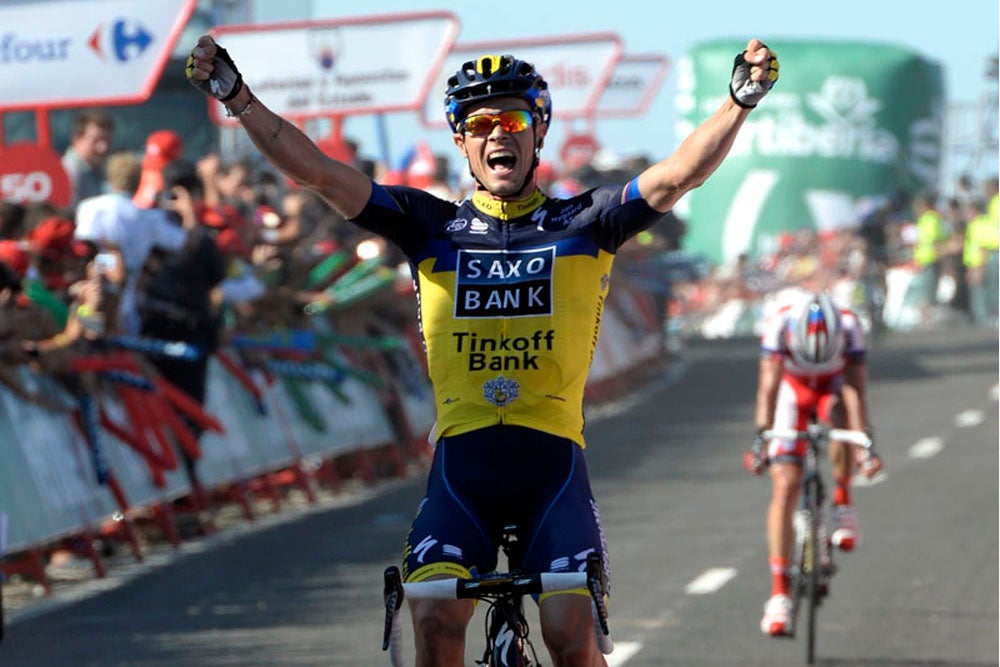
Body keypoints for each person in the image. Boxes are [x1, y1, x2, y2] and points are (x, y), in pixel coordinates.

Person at [187, 34, 778, 666]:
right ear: (463, 141)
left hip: (551, 470)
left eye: (514, 118)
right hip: (462, 470)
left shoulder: (586, 223)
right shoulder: (428, 226)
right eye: (481, 122)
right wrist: (237, 97)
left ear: (538, 131)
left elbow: (678, 174)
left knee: (568, 633)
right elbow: (319, 173)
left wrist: (737, 102)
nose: (499, 132)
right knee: (437, 618)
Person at [744, 291, 882, 637]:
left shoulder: (850, 326)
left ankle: (843, 501)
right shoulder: (779, 324)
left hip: (833, 390)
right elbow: (769, 387)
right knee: (786, 485)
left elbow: (857, 393)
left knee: (841, 408)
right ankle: (779, 594)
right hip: (793, 390)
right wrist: (760, 438)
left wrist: (866, 445)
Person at [62, 110, 115, 208]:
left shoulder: (99, 169)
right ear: (77, 140)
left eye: (108, 141)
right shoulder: (70, 173)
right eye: (96, 141)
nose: (103, 148)